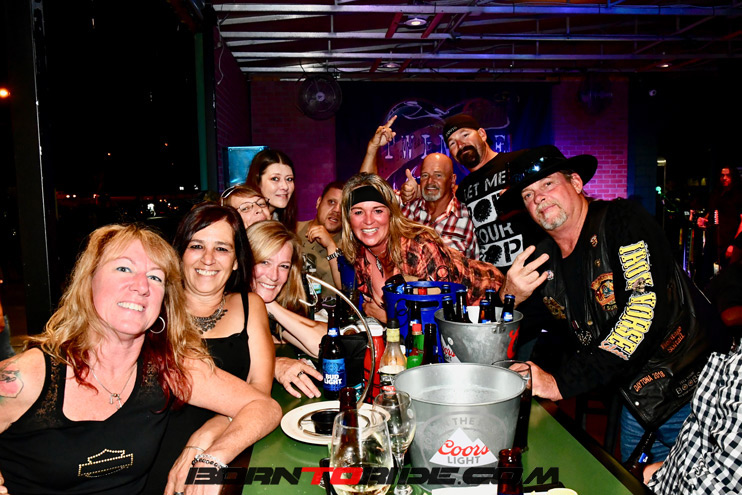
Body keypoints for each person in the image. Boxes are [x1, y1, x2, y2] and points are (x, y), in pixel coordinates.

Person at [0, 224, 281, 494]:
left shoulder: (167, 366)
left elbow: (264, 407)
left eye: (155, 277)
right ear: (89, 281)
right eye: (124, 268)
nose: (141, 286)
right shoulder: (27, 377)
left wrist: (213, 457)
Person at [495, 145, 712, 464]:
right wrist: (508, 297)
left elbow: (641, 311)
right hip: (638, 396)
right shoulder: (544, 258)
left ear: (576, 183)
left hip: (695, 388)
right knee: (637, 480)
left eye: (548, 184)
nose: (538, 197)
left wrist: (560, 383)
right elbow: (518, 332)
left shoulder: (622, 221)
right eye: (528, 194)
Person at [144, 203, 275, 493]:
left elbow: (259, 392)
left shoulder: (250, 305)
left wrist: (208, 432)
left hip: (227, 445)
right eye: (197, 245)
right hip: (154, 456)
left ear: (237, 261)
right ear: (180, 253)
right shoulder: (153, 308)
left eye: (222, 248)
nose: (208, 258)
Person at [339, 172, 504, 323]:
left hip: (490, 302)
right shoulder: (359, 254)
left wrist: (387, 317)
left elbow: (439, 318)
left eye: (377, 211)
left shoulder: (419, 249)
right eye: (358, 212)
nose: (368, 221)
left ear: (391, 213)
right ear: (348, 218)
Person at [361, 117, 479, 259]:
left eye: (438, 175)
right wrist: (373, 148)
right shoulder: (406, 206)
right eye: (424, 175)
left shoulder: (468, 216)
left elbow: (477, 267)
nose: (430, 181)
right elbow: (367, 192)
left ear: (452, 180)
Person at [440, 113, 543, 270]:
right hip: (492, 277)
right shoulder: (463, 189)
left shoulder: (519, 161)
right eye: (452, 143)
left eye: (465, 135)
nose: (460, 144)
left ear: (482, 134)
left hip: (533, 271)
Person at [247, 220, 326, 398]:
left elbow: (323, 344)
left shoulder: (265, 307)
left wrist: (269, 305)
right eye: (264, 262)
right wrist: (273, 364)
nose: (274, 276)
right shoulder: (224, 302)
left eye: (283, 266)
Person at [296, 181, 344, 296]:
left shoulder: (352, 246)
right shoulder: (292, 231)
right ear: (318, 202)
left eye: (344, 206)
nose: (337, 210)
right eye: (331, 202)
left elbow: (347, 289)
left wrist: (331, 246)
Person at [696, 166, 742, 271]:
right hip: (713, 243)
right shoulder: (716, 194)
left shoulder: (738, 195)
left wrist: (734, 245)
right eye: (722, 175)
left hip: (729, 243)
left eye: (728, 175)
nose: (724, 178)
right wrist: (704, 221)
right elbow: (711, 213)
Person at [245, 149, 298, 232]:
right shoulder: (244, 221)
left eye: (289, 179)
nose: (285, 186)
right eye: (275, 179)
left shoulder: (278, 220)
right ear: (257, 181)